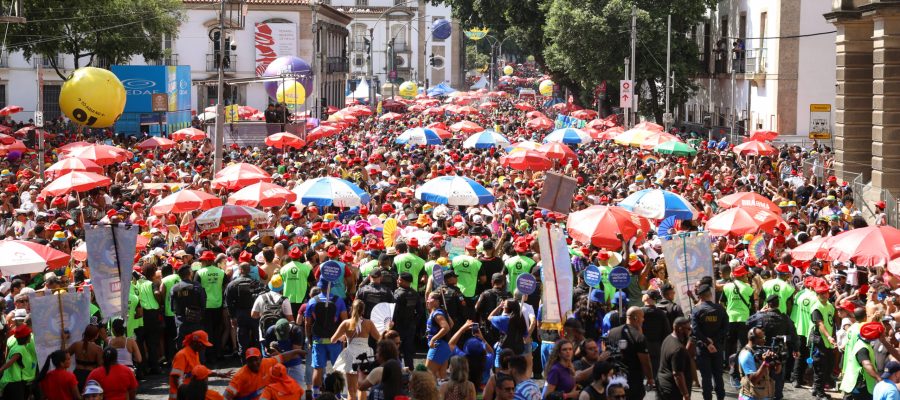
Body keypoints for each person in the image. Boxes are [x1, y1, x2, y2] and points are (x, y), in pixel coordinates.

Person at [331, 299, 381, 400]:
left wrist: (344, 336)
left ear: (352, 309)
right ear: (363, 311)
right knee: (362, 388)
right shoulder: (368, 323)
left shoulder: (346, 323)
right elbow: (379, 338)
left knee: (351, 389)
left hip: (351, 356)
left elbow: (333, 339)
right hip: (365, 356)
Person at [304, 285, 348, 396]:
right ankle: (337, 395)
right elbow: (345, 322)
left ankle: (316, 395)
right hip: (335, 340)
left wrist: (309, 339)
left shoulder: (312, 301)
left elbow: (307, 323)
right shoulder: (339, 301)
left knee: (318, 368)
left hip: (318, 341)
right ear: (331, 287)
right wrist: (344, 339)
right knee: (337, 369)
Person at [606, 307, 652, 400]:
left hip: (615, 378)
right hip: (633, 380)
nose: (643, 319)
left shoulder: (612, 332)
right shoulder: (638, 337)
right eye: (642, 317)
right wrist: (650, 378)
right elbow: (645, 362)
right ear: (636, 318)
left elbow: (607, 352)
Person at [691, 283, 728, 400]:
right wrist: (713, 341)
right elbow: (726, 329)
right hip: (717, 347)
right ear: (710, 295)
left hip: (703, 348)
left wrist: (707, 342)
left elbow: (695, 330)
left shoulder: (696, 310)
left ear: (700, 296)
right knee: (718, 375)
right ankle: (720, 397)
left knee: (706, 377)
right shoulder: (720, 309)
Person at [224, 347, 305, 400]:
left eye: (256, 359)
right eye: (250, 361)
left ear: (261, 358)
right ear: (246, 362)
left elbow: (282, 357)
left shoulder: (267, 363)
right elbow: (226, 396)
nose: (254, 363)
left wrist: (296, 351)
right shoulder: (240, 376)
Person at [225, 262, 267, 362]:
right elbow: (264, 297)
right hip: (255, 314)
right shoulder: (256, 283)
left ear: (240, 270)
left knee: (242, 339)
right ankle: (258, 359)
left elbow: (228, 301)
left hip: (240, 314)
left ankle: (244, 360)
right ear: (249, 270)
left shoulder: (232, 284)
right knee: (257, 338)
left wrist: (232, 317)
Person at [196, 250, 227, 364]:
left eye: (203, 260)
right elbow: (225, 287)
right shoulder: (221, 272)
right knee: (217, 330)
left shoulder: (200, 273)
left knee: (207, 331)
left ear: (208, 260)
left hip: (206, 306)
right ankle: (218, 352)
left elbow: (196, 288)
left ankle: (209, 354)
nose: (202, 262)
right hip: (218, 304)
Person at [840, 321, 884, 400]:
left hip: (858, 384)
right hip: (857, 385)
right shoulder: (862, 348)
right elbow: (866, 365)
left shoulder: (862, 343)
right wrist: (878, 378)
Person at [808, 278, 835, 400]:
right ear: (817, 294)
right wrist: (829, 336)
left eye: (825, 292)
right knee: (820, 367)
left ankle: (816, 388)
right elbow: (820, 324)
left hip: (828, 341)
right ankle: (819, 393)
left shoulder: (829, 305)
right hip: (819, 340)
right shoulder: (816, 307)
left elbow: (831, 322)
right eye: (821, 293)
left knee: (828, 366)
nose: (824, 295)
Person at [737, 327, 779, 400]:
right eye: (762, 338)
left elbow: (777, 371)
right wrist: (765, 362)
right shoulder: (746, 354)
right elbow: (753, 380)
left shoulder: (761, 351)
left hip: (764, 396)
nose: (764, 340)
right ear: (754, 339)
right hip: (749, 397)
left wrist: (778, 361)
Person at [171, 262, 207, 345]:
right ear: (190, 273)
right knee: (198, 347)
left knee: (183, 347)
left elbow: (172, 307)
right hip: (196, 321)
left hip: (181, 322)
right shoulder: (197, 286)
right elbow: (203, 304)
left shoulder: (175, 288)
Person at [657, 317, 693, 400]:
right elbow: (677, 375)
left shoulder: (668, 338)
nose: (690, 331)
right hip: (673, 391)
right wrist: (686, 395)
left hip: (663, 385)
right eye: (688, 329)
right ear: (680, 329)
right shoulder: (678, 349)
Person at [392, 271, 420, 368]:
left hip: (398, 327)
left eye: (399, 279)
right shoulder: (415, 293)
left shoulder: (397, 294)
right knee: (408, 351)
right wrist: (414, 322)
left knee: (396, 350)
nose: (397, 281)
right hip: (410, 326)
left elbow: (393, 311)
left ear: (403, 281)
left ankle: (398, 371)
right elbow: (420, 312)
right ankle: (410, 371)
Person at [425, 291, 453, 380]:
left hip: (438, 346)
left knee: (427, 375)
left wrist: (433, 338)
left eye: (430, 299)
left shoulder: (437, 313)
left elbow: (446, 327)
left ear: (437, 301)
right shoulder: (439, 312)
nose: (427, 301)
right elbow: (451, 324)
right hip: (443, 346)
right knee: (441, 377)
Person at [68, 324, 103, 392]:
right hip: (91, 376)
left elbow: (63, 355)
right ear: (96, 336)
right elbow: (100, 366)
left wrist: (64, 339)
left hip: (77, 375)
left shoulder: (76, 345)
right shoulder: (98, 349)